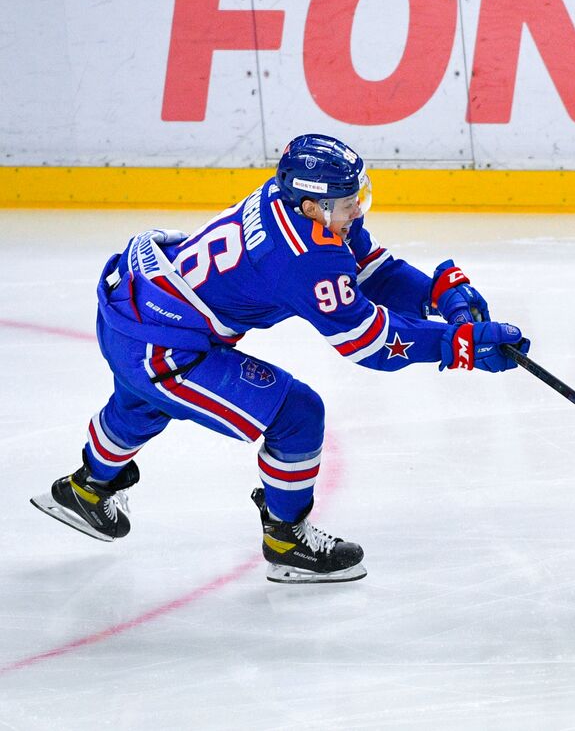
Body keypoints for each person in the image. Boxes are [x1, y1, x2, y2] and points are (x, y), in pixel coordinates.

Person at [30, 134, 529, 584]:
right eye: (345, 203)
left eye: (358, 196)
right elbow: (368, 341)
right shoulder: (305, 258)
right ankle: (287, 540)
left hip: (135, 313)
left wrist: (438, 298)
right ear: (311, 204)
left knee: (142, 400)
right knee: (297, 414)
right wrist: (454, 345)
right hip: (162, 347)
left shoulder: (289, 200)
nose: (355, 210)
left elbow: (371, 269)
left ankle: (86, 489)